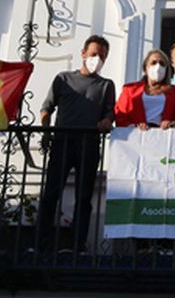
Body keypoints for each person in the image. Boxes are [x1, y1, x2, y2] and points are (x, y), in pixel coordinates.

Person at [35, 35, 116, 253]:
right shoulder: (63, 79)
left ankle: (78, 245)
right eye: (93, 54)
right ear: (83, 53)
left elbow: (110, 113)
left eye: (102, 56)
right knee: (51, 193)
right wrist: (46, 131)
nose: (97, 59)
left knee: (84, 198)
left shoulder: (106, 85)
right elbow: (46, 107)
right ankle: (40, 244)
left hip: (89, 146)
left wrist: (107, 121)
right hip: (62, 143)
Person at [115, 49, 175, 129]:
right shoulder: (129, 90)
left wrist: (172, 124)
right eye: (153, 63)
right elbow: (121, 115)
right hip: (136, 135)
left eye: (162, 64)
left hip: (163, 134)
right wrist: (134, 127)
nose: (158, 67)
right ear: (146, 68)